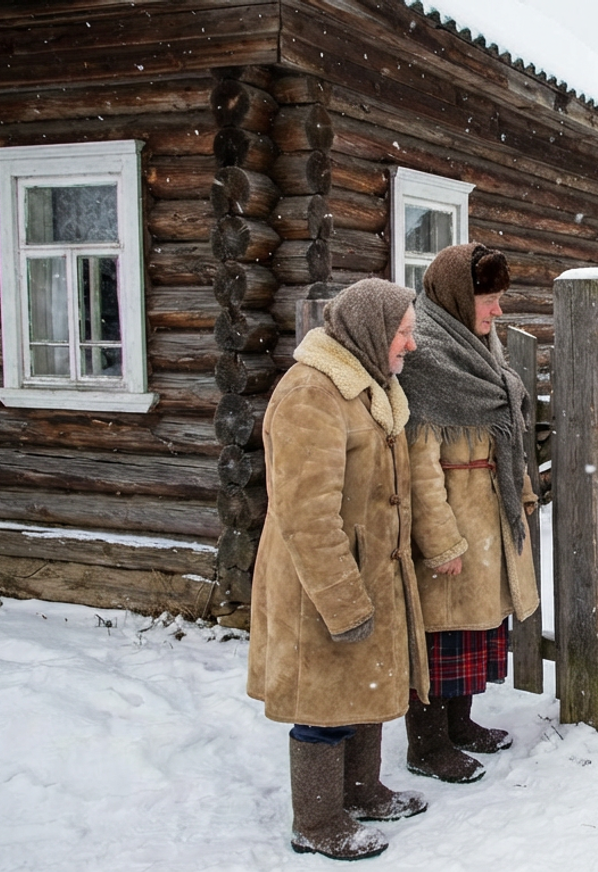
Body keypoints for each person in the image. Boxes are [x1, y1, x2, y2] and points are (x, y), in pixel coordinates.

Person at [246, 278, 431, 861]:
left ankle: (363, 791)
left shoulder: (368, 387)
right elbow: (304, 514)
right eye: (404, 332)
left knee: (364, 685)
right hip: (319, 581)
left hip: (367, 568)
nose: (413, 344)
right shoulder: (311, 393)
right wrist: (342, 596)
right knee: (322, 703)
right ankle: (318, 820)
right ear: (373, 332)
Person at [397, 243, 539, 784]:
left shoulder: (478, 346)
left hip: (486, 510)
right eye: (489, 299)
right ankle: (427, 746)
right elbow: (418, 468)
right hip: (453, 516)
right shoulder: (426, 359)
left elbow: (506, 435)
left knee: (473, 630)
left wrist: (520, 492)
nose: (497, 311)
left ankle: (461, 727)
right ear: (459, 296)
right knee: (439, 636)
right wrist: (441, 541)